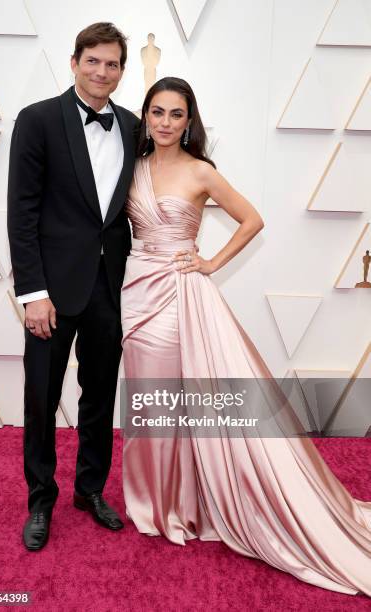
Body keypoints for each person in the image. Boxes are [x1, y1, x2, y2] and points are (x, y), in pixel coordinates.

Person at [121, 76, 371, 596]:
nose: (165, 122)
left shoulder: (201, 171)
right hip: (135, 294)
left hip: (176, 296)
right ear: (145, 116)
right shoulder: (133, 168)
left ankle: (184, 506)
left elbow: (252, 220)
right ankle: (155, 502)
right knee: (148, 401)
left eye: (176, 114)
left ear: (190, 122)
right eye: (157, 112)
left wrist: (209, 262)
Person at [7, 22, 139, 551]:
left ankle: (90, 490)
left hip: (108, 285)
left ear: (121, 72)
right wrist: (32, 292)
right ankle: (41, 499)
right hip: (52, 292)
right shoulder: (37, 120)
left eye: (112, 64)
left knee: (99, 395)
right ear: (74, 62)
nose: (102, 71)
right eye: (93, 61)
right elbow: (22, 212)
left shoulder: (132, 126)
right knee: (41, 397)